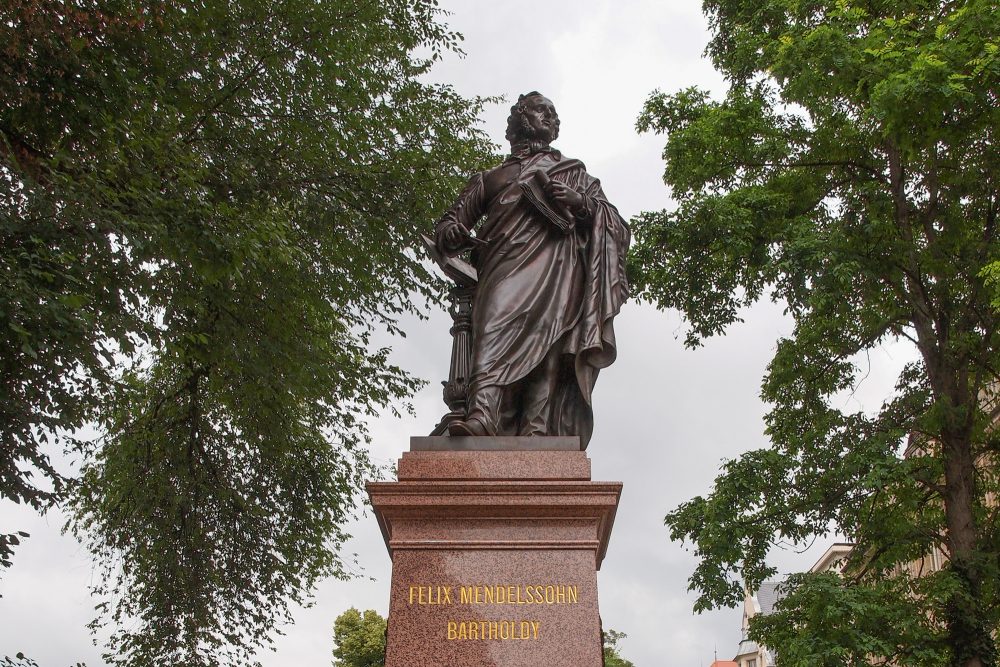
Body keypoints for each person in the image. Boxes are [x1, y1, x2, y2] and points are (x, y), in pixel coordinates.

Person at [434, 92, 630, 448]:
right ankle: (482, 415)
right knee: (492, 329)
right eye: (543, 111)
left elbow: (616, 225)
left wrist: (581, 203)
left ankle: (537, 432)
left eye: (554, 114)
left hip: (558, 273)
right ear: (522, 118)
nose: (552, 118)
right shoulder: (491, 177)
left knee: (548, 346)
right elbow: (449, 222)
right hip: (501, 269)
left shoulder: (572, 173)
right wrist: (453, 232)